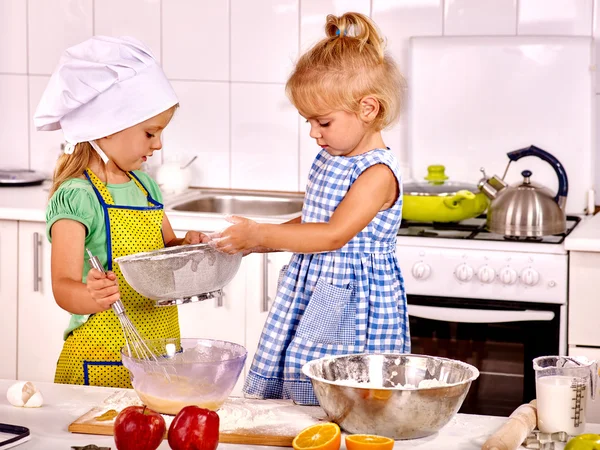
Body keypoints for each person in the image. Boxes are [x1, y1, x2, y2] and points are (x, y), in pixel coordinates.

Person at [213, 12, 410, 405]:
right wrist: (255, 243)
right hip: (318, 285)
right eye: (309, 121)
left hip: (348, 299)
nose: (313, 133)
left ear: (368, 109)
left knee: (334, 388)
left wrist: (261, 233)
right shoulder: (335, 155)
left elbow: (334, 234)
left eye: (323, 122)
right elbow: (316, 221)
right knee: (300, 378)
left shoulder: (376, 174)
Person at [34, 36, 206, 388]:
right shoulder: (77, 197)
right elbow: (63, 288)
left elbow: (164, 248)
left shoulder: (146, 187)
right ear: (105, 127)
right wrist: (91, 295)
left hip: (159, 352)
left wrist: (185, 246)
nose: (158, 144)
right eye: (150, 133)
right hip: (101, 359)